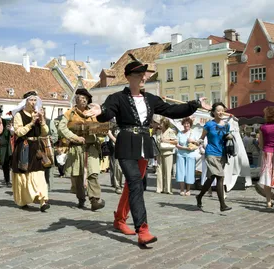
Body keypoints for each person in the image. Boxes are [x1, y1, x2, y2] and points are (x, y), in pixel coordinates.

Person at [84, 54, 211, 245]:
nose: (144, 78)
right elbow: (108, 112)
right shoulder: (116, 98)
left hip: (144, 144)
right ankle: (142, 230)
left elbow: (172, 111)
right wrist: (100, 111)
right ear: (128, 77)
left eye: (144, 74)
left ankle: (120, 219)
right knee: (135, 183)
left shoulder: (151, 99)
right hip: (126, 143)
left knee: (133, 184)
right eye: (139, 75)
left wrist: (195, 104)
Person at [58, 88, 105, 211]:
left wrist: (99, 131)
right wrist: (74, 137)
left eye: (85, 99)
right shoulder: (69, 113)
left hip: (91, 148)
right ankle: (81, 198)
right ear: (76, 99)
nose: (83, 101)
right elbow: (62, 128)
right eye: (81, 98)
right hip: (76, 148)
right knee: (77, 176)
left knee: (92, 173)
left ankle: (95, 200)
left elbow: (103, 128)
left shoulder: (93, 113)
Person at [10, 91, 50, 212]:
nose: (33, 103)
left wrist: (42, 121)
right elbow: (19, 132)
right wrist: (31, 123)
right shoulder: (19, 115)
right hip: (24, 147)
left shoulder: (37, 114)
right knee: (24, 175)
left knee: (39, 174)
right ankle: (23, 200)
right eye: (31, 100)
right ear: (26, 102)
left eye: (35, 100)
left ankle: (43, 201)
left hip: (36, 147)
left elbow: (45, 132)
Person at [195, 102, 232, 212]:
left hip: (222, 154)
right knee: (220, 177)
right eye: (218, 110)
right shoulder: (209, 124)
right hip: (211, 153)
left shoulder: (226, 125)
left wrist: (229, 137)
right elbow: (202, 138)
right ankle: (222, 205)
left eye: (222, 110)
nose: (221, 112)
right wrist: (198, 143)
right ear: (213, 112)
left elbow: (226, 138)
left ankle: (199, 196)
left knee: (211, 178)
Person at [175, 117, 198, 196]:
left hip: (190, 155)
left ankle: (188, 189)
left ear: (190, 124)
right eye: (185, 123)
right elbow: (177, 144)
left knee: (189, 172)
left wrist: (193, 141)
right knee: (181, 172)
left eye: (188, 123)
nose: (186, 125)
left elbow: (198, 144)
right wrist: (185, 148)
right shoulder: (180, 133)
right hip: (181, 154)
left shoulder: (193, 133)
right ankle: (182, 189)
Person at [258, 106, 274, 208]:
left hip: (267, 153)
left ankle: (268, 201)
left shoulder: (262, 128)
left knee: (267, 178)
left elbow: (260, 144)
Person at [156, 118, 177, 194]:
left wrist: (166, 141)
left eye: (161, 123)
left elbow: (175, 142)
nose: (160, 125)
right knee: (159, 170)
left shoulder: (170, 131)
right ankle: (159, 188)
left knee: (168, 171)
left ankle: (168, 189)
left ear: (165, 124)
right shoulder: (158, 131)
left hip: (168, 153)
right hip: (159, 152)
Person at [0, 116, 14, 187]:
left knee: (6, 164)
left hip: (6, 148)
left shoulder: (7, 126)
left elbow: (12, 134)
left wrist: (10, 129)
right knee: (3, 164)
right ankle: (6, 179)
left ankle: (7, 180)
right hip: (0, 147)